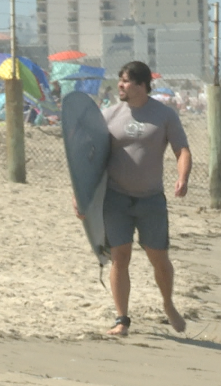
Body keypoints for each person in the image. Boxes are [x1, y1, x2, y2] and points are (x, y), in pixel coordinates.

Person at [77, 61, 191, 336]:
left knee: (159, 258)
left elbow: (182, 150)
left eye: (126, 81)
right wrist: (79, 195)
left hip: (151, 199)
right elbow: (87, 159)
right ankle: (122, 319)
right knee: (120, 257)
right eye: (120, 80)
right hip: (116, 198)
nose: (120, 85)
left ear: (141, 85)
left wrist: (183, 177)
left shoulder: (164, 115)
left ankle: (167, 303)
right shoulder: (108, 115)